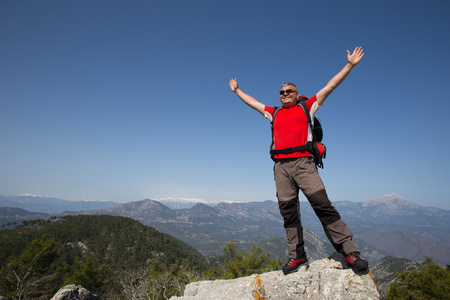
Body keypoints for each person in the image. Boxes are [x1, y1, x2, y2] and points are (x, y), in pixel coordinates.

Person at [229, 47, 368, 275]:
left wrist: (350, 65)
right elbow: (253, 103)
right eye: (282, 92)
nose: (284, 94)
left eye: (289, 91)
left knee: (323, 207)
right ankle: (297, 256)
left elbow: (330, 86)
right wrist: (237, 91)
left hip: (304, 164)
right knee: (289, 213)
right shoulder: (274, 113)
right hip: (281, 168)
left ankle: (350, 251)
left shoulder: (307, 107)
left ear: (296, 93)